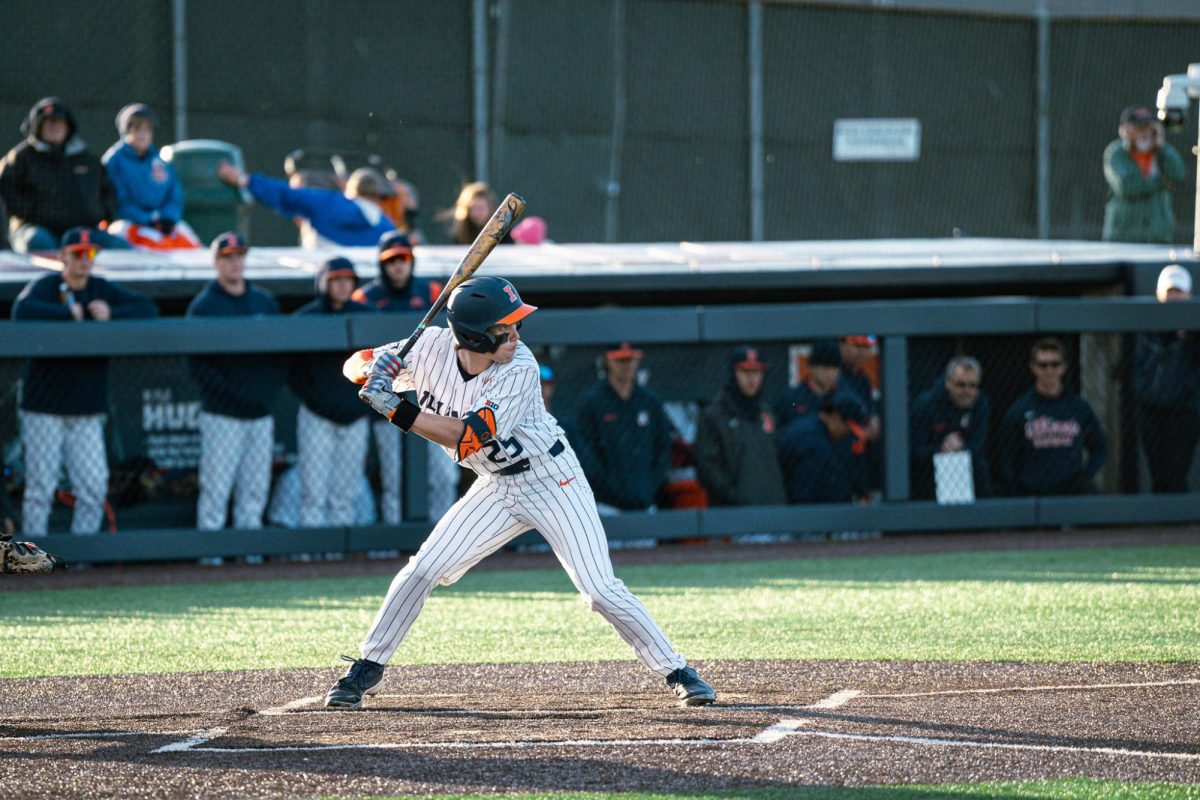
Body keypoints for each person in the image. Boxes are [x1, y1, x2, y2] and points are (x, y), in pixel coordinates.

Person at [325, 276, 715, 709]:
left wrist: (397, 408)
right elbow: (354, 363)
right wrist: (374, 369)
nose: (515, 336)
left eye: (515, 326)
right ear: (474, 336)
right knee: (422, 570)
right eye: (504, 329)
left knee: (599, 589)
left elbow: (467, 438)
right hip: (495, 486)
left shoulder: (520, 366)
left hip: (552, 480)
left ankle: (678, 670)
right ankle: (369, 664)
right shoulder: (430, 346)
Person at [11, 227, 156, 536]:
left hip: (87, 407)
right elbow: (21, 310)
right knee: (40, 487)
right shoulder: (46, 286)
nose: (83, 260)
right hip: (44, 408)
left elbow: (148, 308)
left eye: (88, 254)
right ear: (63, 257)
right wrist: (66, 313)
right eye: (77, 254)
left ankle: (83, 558)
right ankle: (34, 559)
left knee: (92, 486)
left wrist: (111, 313)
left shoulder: (102, 288)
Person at [186, 232, 282, 533]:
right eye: (228, 257)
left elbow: (281, 356)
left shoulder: (263, 301)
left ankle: (249, 559)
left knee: (254, 490)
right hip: (222, 415)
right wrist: (235, 395)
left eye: (239, 255)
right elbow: (197, 365)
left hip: (259, 414)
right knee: (217, 489)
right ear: (216, 262)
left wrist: (264, 395)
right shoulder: (204, 305)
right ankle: (211, 560)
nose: (235, 262)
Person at [352, 230, 446, 523]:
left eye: (403, 258)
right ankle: (395, 536)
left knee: (442, 475)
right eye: (391, 260)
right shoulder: (365, 296)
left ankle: (442, 533)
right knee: (394, 476)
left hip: (432, 392)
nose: (398, 265)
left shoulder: (431, 291)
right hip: (388, 394)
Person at [287, 256, 375, 527]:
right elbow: (292, 371)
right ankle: (312, 560)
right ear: (324, 283)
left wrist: (363, 405)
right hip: (317, 417)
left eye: (347, 279)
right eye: (335, 279)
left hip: (355, 417)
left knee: (345, 494)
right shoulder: (306, 318)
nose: (341, 285)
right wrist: (316, 401)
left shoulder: (367, 315)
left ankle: (340, 561)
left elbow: (379, 366)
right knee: (313, 493)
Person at [0, 97, 130, 253]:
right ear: (38, 126)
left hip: (83, 232)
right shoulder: (20, 158)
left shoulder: (87, 159)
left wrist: (101, 213)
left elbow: (108, 191)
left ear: (68, 126)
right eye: (49, 122)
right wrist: (33, 212)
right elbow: (6, 192)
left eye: (59, 122)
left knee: (121, 248)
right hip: (36, 230)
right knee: (38, 242)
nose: (55, 127)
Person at [997, 338, 1107, 497]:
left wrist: (1085, 476)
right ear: (1033, 367)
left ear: (1064, 367)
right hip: (1032, 492)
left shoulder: (1078, 408)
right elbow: (1006, 458)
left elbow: (1099, 447)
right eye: (1043, 365)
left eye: (1055, 364)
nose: (1049, 370)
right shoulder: (1019, 410)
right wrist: (1016, 487)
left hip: (1070, 491)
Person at [574, 342, 674, 513]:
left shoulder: (650, 402)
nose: (626, 365)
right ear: (607, 361)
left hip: (645, 502)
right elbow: (584, 453)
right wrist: (608, 485)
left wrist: (649, 485)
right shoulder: (592, 402)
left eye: (630, 359)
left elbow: (663, 449)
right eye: (620, 360)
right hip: (606, 506)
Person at [216, 161, 395, 248]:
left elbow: (284, 194)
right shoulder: (388, 227)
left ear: (350, 190)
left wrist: (241, 179)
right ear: (379, 197)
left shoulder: (329, 203)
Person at [694, 345, 786, 506]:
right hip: (733, 516)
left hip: (772, 511)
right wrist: (736, 496)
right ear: (733, 374)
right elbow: (707, 467)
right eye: (745, 372)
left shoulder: (766, 412)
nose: (752, 379)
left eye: (756, 372)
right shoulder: (714, 414)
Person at [1135, 264, 1199, 493]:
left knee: (1176, 472)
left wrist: (1188, 334)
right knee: (1158, 473)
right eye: (1170, 293)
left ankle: (1179, 524)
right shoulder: (1147, 326)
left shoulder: (1194, 331)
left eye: (1179, 293)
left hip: (1183, 410)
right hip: (1151, 407)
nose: (1174, 298)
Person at [102, 103, 200, 250]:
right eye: (136, 129)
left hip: (164, 223)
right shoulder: (114, 161)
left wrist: (168, 217)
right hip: (128, 224)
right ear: (125, 131)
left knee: (193, 249)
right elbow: (119, 202)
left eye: (146, 129)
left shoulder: (159, 159)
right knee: (158, 250)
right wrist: (149, 218)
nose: (142, 134)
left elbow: (174, 195)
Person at [1102, 105, 1187, 244]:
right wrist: (1162, 182)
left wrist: (1162, 146)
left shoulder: (1160, 152)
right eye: (1138, 127)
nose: (1144, 132)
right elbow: (1129, 187)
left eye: (1148, 127)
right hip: (1123, 238)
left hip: (1158, 237)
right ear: (1126, 130)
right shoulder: (1116, 153)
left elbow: (1178, 174)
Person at [910, 356, 991, 501]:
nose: (967, 391)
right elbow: (915, 450)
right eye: (961, 385)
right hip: (929, 478)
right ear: (948, 383)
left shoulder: (981, 403)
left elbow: (979, 444)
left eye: (973, 385)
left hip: (969, 473)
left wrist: (960, 448)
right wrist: (941, 449)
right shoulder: (926, 405)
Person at [777, 393, 866, 504]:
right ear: (835, 417)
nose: (846, 435)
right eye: (847, 429)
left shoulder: (813, 427)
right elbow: (804, 495)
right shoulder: (813, 442)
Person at [442, 181, 513, 245]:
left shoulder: (504, 232)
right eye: (474, 208)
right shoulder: (460, 235)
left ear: (489, 207)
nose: (478, 212)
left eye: (481, 208)